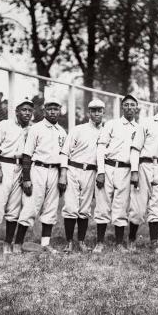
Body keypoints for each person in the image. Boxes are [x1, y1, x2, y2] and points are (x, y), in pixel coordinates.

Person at [12, 98, 67, 253]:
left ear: (59, 111)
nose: (53, 112)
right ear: (44, 111)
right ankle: (17, 243)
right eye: (49, 108)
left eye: (56, 109)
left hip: (54, 171)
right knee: (30, 206)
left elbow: (64, 156)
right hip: (38, 169)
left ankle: (45, 243)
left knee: (51, 207)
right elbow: (27, 155)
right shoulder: (36, 128)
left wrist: (63, 175)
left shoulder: (62, 131)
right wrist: (27, 178)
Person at [0, 98, 34, 257]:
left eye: (30, 110)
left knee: (14, 209)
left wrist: (26, 173)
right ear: (16, 111)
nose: (27, 113)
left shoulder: (32, 129)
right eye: (24, 109)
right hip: (3, 165)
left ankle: (7, 243)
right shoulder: (4, 125)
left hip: (20, 168)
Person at [129, 94, 158, 254]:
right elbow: (135, 148)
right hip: (145, 164)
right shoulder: (147, 123)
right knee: (139, 206)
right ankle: (131, 239)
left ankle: (154, 242)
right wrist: (134, 171)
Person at [93, 94, 139, 253]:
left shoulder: (139, 128)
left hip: (126, 169)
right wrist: (100, 171)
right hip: (109, 167)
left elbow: (137, 152)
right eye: (126, 105)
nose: (129, 108)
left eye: (132, 105)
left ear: (137, 108)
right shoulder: (112, 124)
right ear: (122, 107)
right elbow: (100, 148)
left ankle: (119, 243)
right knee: (102, 205)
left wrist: (135, 171)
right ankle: (99, 242)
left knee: (121, 206)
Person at [58, 99, 106, 253]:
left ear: (103, 112)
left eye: (99, 110)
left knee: (84, 209)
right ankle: (69, 242)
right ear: (89, 113)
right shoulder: (78, 129)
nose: (97, 113)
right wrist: (63, 174)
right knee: (71, 206)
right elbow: (65, 152)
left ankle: (81, 241)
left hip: (91, 171)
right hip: (74, 168)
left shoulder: (105, 132)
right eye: (94, 110)